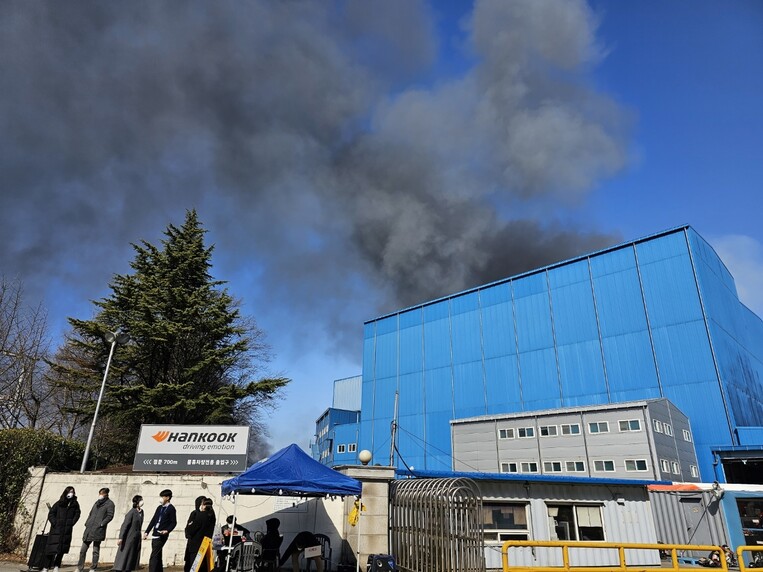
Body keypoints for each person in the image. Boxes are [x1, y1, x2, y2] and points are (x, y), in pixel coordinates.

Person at [42, 486, 81, 572]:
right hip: (56, 530)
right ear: (66, 492)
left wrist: (71, 523)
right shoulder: (59, 503)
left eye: (72, 492)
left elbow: (77, 514)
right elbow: (51, 513)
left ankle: (56, 566)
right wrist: (54, 522)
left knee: (61, 550)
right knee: (51, 549)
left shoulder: (75, 504)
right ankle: (46, 567)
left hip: (66, 530)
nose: (71, 493)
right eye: (69, 491)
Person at [76, 487, 115, 572]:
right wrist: (87, 523)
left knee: (95, 550)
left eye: (102, 494)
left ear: (106, 494)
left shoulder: (110, 504)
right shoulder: (96, 503)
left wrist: (102, 524)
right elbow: (91, 513)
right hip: (89, 529)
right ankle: (80, 567)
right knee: (83, 550)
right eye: (99, 493)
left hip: (98, 530)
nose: (100, 495)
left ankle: (93, 567)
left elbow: (110, 516)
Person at [143, 489, 177, 572]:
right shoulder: (159, 508)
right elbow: (154, 520)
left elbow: (173, 522)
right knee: (157, 554)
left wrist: (167, 530)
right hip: (155, 532)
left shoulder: (171, 509)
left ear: (168, 498)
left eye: (163, 496)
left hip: (162, 534)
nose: (161, 498)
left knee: (154, 555)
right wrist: (147, 531)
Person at [113, 495, 145, 572]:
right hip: (129, 537)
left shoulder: (141, 512)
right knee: (125, 555)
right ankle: (120, 569)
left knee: (132, 556)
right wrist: (121, 537)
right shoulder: (131, 512)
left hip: (136, 538)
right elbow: (125, 525)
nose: (142, 501)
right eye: (140, 500)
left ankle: (129, 568)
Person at [184, 497, 216, 572]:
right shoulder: (211, 516)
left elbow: (190, 530)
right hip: (206, 544)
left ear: (204, 505)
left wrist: (189, 527)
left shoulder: (200, 516)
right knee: (204, 566)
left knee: (195, 566)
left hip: (196, 545)